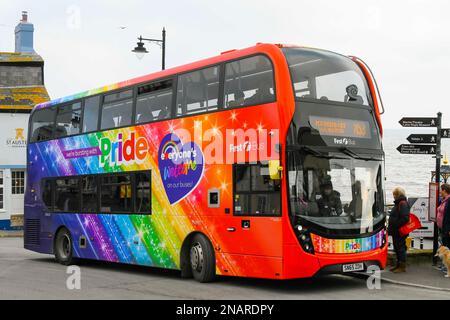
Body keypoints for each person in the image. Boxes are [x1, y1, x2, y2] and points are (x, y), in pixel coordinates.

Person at [388, 187, 410, 273]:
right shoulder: (399, 203)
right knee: (397, 247)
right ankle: (398, 265)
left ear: (397, 195)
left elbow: (405, 218)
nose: (393, 196)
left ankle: (402, 266)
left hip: (399, 231)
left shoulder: (402, 203)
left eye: (394, 194)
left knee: (400, 248)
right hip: (396, 231)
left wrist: (395, 225)